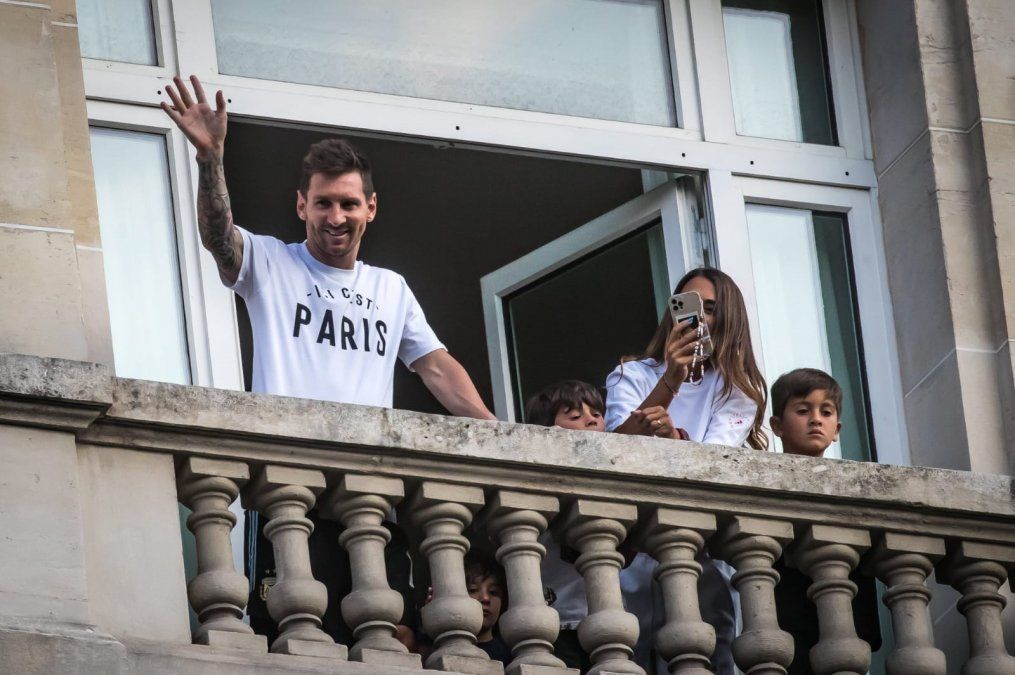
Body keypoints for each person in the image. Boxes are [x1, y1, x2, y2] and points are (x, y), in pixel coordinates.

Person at [161, 75, 495, 648]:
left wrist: (495, 433)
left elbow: (436, 367)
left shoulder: (391, 288)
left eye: (347, 203)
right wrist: (210, 159)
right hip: (292, 495)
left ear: (370, 208)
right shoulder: (271, 263)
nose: (334, 217)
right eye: (322, 203)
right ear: (301, 205)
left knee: (386, 640)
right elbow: (218, 237)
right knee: (295, 640)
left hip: (372, 501)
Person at [604, 267, 769, 675]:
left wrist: (672, 439)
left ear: (728, 319)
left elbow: (711, 467)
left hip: (703, 554)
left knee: (710, 660)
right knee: (628, 658)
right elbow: (611, 452)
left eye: (710, 309)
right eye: (688, 307)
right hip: (634, 550)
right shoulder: (632, 373)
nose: (697, 320)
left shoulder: (737, 389)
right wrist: (670, 382)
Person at [526, 380, 668, 672]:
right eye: (574, 416)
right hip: (559, 618)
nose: (590, 419)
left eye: (596, 413)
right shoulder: (551, 479)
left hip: (604, 614)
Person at [768, 368, 881, 673]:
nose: (816, 419)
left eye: (826, 411)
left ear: (837, 429)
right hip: (790, 610)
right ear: (777, 425)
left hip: (846, 610)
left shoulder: (854, 486)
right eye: (803, 410)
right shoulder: (767, 485)